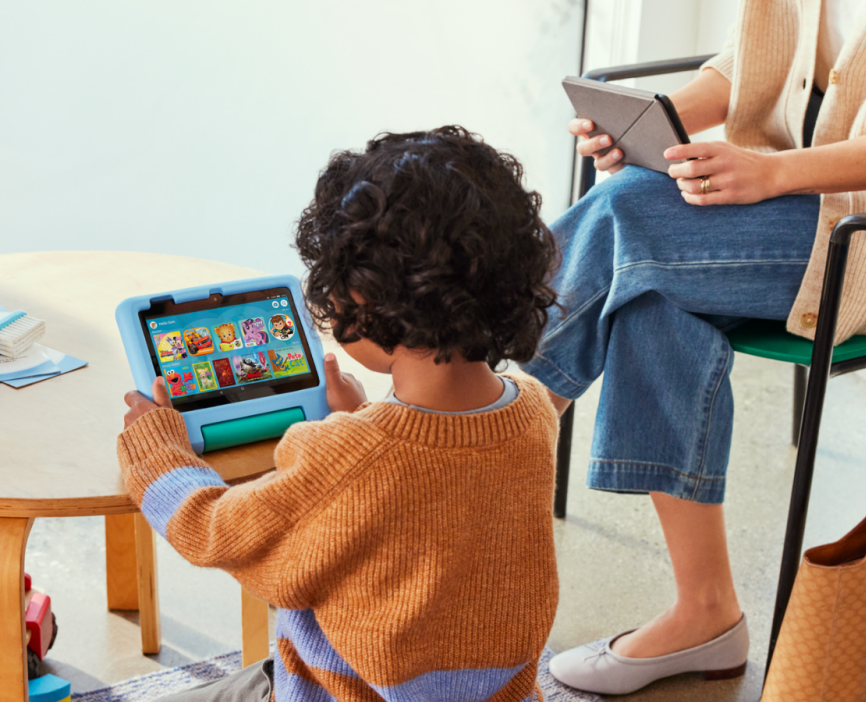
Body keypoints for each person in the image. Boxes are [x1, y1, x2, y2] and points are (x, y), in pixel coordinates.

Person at [537, 0, 866, 694]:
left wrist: (775, 174)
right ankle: (705, 612)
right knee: (650, 284)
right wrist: (652, 125)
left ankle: (481, 435)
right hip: (791, 200)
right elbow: (753, 67)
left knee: (627, 215)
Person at [118, 126, 562, 701]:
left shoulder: (346, 457)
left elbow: (215, 531)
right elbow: (437, 497)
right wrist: (370, 417)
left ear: (361, 298)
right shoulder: (532, 411)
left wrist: (158, 452)